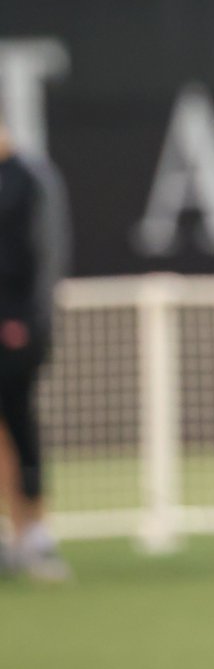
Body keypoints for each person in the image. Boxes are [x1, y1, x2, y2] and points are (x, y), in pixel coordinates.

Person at [0, 110, 71, 580]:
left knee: (19, 421)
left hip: (19, 327)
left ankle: (36, 535)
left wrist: (27, 319)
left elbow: (46, 255)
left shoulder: (30, 178)